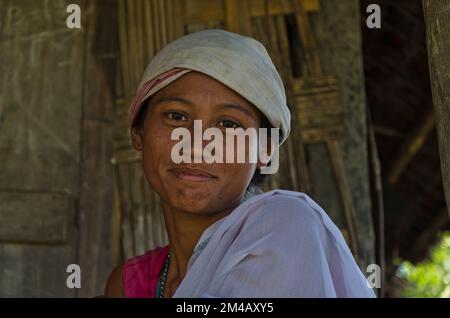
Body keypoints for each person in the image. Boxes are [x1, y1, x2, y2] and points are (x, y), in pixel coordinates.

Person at [104, 29, 375, 298]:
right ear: (137, 132)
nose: (197, 144)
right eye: (176, 116)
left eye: (228, 124)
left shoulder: (288, 227)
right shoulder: (128, 284)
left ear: (265, 150)